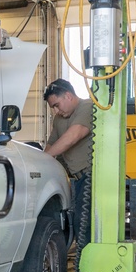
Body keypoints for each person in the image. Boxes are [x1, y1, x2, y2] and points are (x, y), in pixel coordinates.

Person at [43, 79, 93, 249]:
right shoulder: (59, 119)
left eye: (57, 105)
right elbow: (51, 144)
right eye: (53, 107)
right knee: (77, 222)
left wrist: (44, 159)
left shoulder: (87, 107)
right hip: (77, 179)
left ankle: (87, 267)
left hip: (92, 177)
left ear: (69, 96)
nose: (56, 110)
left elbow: (72, 136)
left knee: (84, 222)